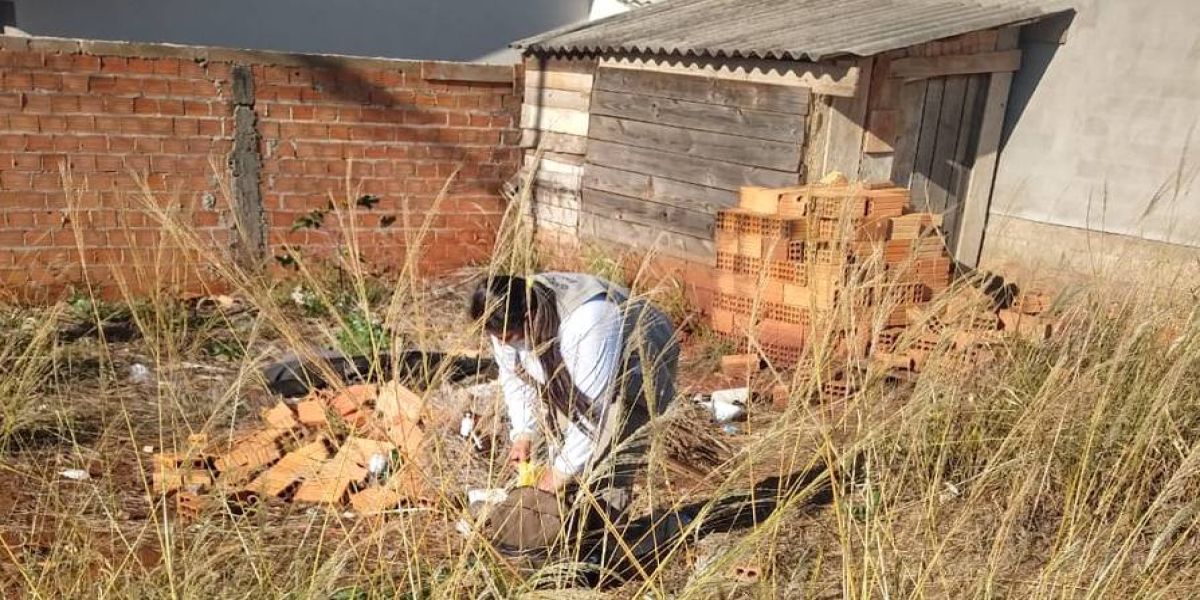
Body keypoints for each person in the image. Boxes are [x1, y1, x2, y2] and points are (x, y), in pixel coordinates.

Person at [467, 272, 680, 550]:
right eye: (498, 338)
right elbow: (515, 376)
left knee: (608, 458)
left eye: (509, 337)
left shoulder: (588, 321)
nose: (503, 343)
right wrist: (524, 432)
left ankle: (603, 545)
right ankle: (568, 529)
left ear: (529, 318)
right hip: (579, 364)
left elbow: (593, 415)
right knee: (565, 456)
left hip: (640, 358)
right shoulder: (502, 316)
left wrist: (557, 475)